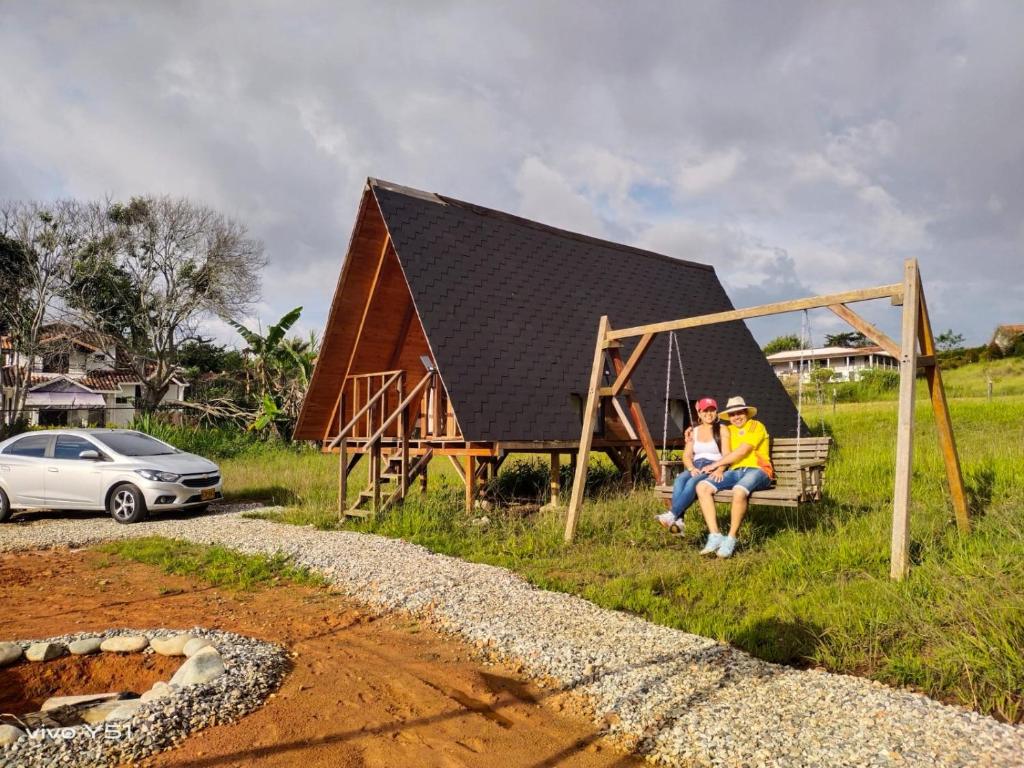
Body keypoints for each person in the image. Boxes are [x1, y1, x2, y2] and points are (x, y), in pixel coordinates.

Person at [694, 396, 773, 558]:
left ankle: (731, 538)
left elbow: (742, 451)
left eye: (739, 413)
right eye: (732, 414)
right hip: (735, 471)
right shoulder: (728, 429)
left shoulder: (755, 426)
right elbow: (707, 433)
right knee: (702, 487)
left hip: (758, 470)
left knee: (738, 491)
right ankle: (715, 535)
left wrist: (717, 465)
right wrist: (690, 432)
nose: (736, 417)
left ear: (746, 413)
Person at [655, 398, 730, 535]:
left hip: (712, 465)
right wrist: (691, 468)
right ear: (699, 413)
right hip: (696, 465)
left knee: (692, 483)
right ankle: (679, 522)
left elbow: (727, 454)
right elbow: (687, 455)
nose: (709, 413)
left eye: (712, 410)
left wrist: (719, 469)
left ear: (716, 412)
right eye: (705, 411)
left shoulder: (722, 429)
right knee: (679, 480)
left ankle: (673, 515)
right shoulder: (693, 431)